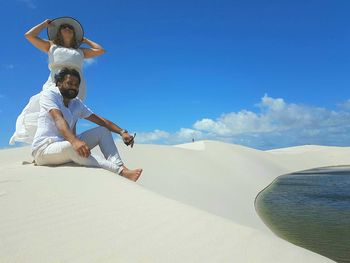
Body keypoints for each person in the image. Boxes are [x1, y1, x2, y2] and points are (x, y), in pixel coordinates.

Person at [32, 67, 142, 182]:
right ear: (59, 83)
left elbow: (101, 121)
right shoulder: (50, 95)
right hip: (44, 150)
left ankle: (121, 166)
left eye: (76, 85)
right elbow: (58, 119)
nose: (73, 87)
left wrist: (122, 132)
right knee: (70, 147)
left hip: (66, 145)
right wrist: (74, 141)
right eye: (69, 83)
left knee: (103, 131)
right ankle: (120, 172)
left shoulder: (76, 104)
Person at [10, 17, 105, 145]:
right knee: (49, 113)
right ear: (59, 31)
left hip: (77, 84)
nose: (67, 28)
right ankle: (43, 145)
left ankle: (72, 145)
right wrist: (44, 24)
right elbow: (29, 35)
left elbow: (100, 50)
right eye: (64, 27)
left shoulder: (80, 51)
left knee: (73, 114)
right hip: (56, 82)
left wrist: (85, 40)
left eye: (70, 27)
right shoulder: (51, 46)